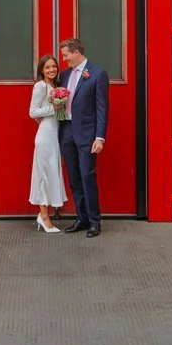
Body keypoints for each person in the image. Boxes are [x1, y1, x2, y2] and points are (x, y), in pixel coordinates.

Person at [58, 38, 109, 239]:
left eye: (66, 55)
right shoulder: (65, 74)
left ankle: (95, 221)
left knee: (87, 175)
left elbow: (102, 108)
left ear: (77, 52)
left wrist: (100, 137)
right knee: (74, 177)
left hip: (87, 134)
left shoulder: (97, 75)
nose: (64, 59)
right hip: (67, 131)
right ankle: (82, 218)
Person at [29, 54, 67, 233]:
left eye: (54, 67)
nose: (52, 70)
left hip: (54, 135)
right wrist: (55, 107)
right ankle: (44, 217)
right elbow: (33, 112)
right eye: (47, 67)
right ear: (41, 70)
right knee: (44, 174)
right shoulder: (41, 86)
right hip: (45, 136)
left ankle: (45, 214)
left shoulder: (55, 86)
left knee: (51, 173)